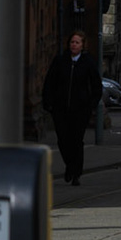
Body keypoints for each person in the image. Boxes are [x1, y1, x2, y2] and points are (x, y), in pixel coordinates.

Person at [42, 30, 102, 186]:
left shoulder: (88, 62)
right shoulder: (60, 61)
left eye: (77, 42)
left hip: (80, 109)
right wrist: (48, 102)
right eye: (72, 42)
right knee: (63, 140)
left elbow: (96, 85)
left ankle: (76, 173)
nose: (74, 45)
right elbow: (50, 82)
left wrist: (92, 104)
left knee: (76, 141)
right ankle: (70, 165)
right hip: (60, 108)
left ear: (82, 45)